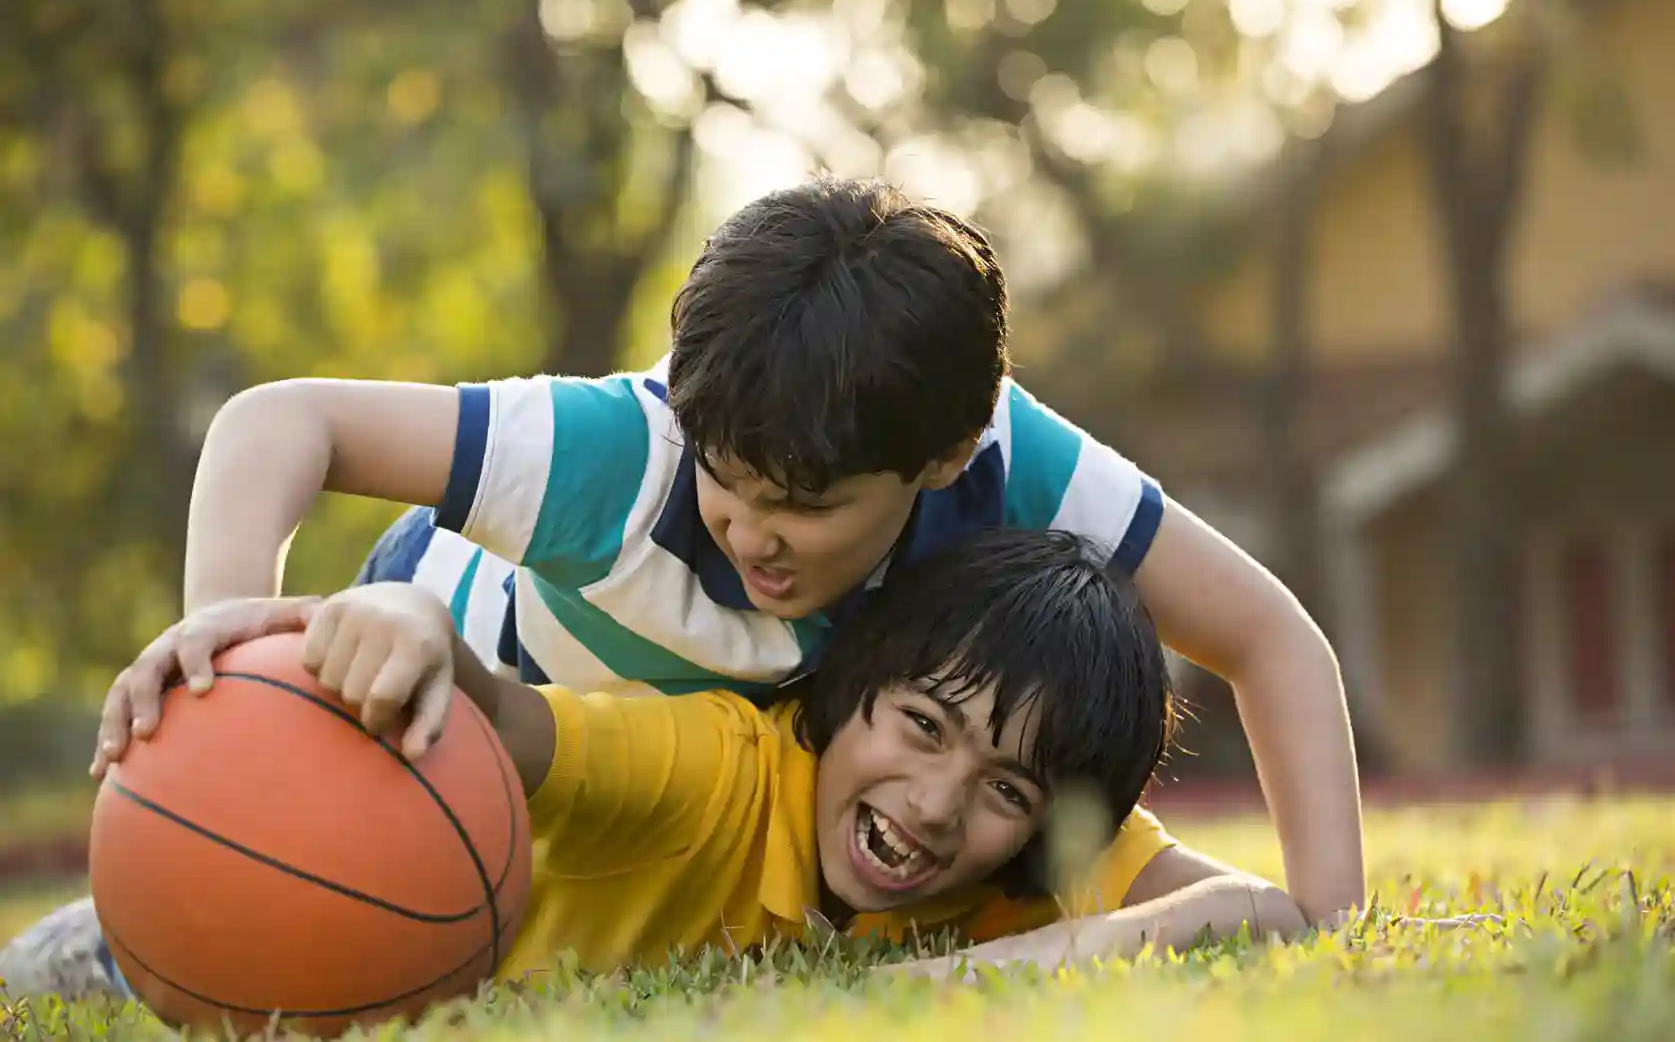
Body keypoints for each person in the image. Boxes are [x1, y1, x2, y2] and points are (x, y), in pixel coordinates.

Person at [2, 531, 1310, 1005]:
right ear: (843, 695)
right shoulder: (720, 762)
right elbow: (518, 724)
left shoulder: (1004, 876)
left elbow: (1263, 913)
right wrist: (410, 624)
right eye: (919, 726)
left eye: (1005, 790)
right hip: (241, 916)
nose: (932, 806)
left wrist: (960, 974)